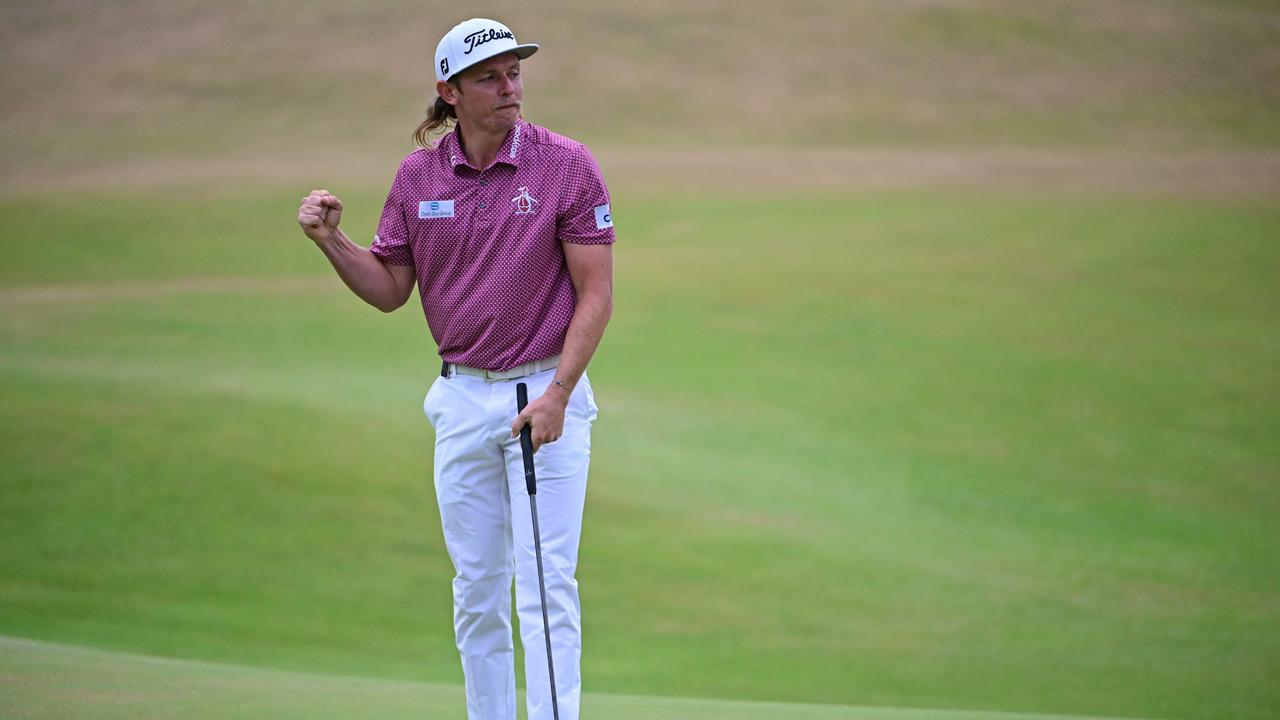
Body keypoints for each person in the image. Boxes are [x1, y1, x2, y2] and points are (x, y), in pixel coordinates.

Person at [295, 17, 614, 720]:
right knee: (476, 588)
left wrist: (561, 391)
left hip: (543, 398)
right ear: (450, 91)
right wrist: (332, 242)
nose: (510, 88)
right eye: (489, 77)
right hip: (460, 400)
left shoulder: (566, 164)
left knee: (543, 583)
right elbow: (389, 289)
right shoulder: (418, 178)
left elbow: (597, 293)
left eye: (514, 72)